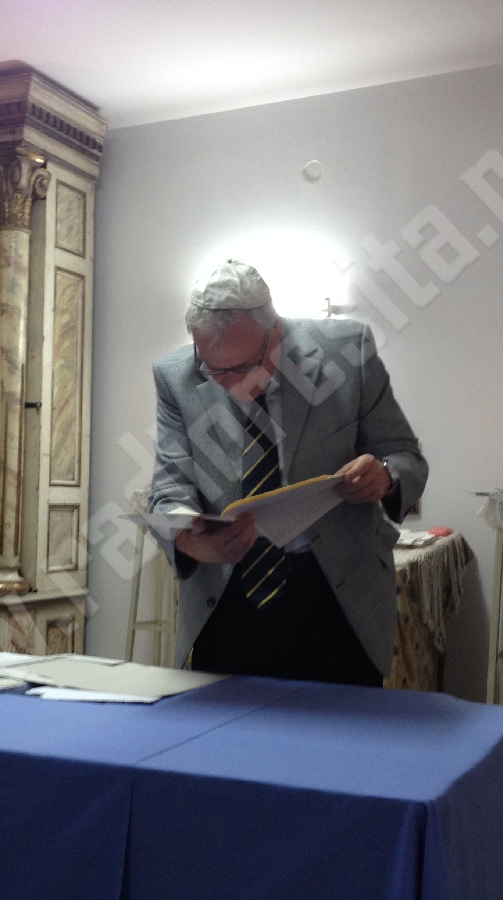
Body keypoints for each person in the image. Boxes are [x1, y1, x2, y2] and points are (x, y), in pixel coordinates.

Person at [148, 259, 428, 687]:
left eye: (243, 366)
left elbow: (405, 456)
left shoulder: (347, 353)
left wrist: (385, 475)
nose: (228, 382)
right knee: (223, 729)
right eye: (213, 369)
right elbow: (169, 491)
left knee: (345, 727)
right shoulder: (175, 377)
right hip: (228, 598)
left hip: (335, 597)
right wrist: (192, 540)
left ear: (275, 331)